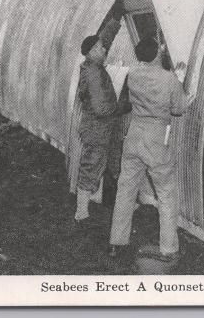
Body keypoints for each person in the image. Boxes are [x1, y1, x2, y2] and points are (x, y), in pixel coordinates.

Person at [108, 37, 187, 262]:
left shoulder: (132, 74)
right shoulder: (169, 79)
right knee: (166, 192)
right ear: (156, 54)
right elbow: (179, 108)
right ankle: (168, 248)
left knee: (125, 190)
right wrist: (179, 82)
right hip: (155, 138)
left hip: (134, 135)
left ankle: (116, 243)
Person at [74, 15, 129, 224]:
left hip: (99, 129)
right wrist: (122, 108)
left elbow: (104, 42)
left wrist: (115, 19)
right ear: (90, 54)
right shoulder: (94, 75)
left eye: (102, 47)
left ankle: (102, 203)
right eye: (99, 49)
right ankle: (81, 211)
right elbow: (101, 108)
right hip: (98, 130)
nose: (104, 50)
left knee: (107, 162)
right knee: (92, 166)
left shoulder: (91, 65)